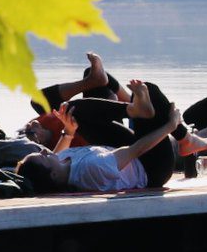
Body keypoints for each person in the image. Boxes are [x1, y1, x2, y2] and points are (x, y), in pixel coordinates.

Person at [15, 81, 183, 192]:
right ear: (53, 175)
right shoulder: (91, 169)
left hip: (128, 155)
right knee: (150, 91)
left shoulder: (61, 163)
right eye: (43, 157)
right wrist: (171, 126)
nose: (45, 151)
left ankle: (134, 110)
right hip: (151, 167)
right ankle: (184, 138)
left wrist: (69, 131)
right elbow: (137, 149)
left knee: (72, 111)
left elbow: (59, 150)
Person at [0, 53, 127, 164]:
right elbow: (54, 159)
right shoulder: (49, 150)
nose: (33, 123)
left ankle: (96, 84)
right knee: (84, 104)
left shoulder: (1, 145)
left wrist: (25, 131)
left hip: (61, 119)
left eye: (26, 129)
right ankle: (132, 105)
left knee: (39, 101)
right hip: (97, 131)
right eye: (30, 131)